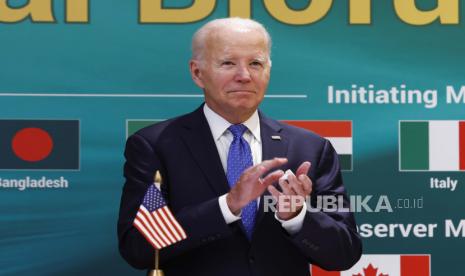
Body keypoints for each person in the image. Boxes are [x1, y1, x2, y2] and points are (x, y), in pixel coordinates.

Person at [117, 17, 362, 276]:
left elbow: (344, 254)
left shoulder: (310, 149)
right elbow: (138, 248)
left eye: (255, 63)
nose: (244, 76)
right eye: (228, 63)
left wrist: (298, 216)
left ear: (268, 71)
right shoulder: (156, 145)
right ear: (197, 73)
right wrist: (227, 206)